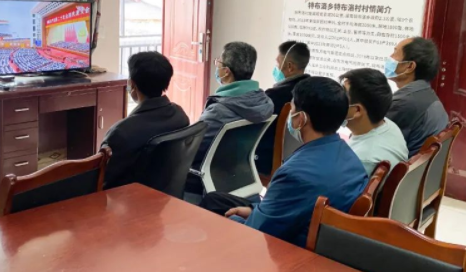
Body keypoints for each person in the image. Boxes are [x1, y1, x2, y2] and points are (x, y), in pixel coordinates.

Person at [200, 77, 368, 248]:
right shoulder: (351, 159)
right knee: (216, 200)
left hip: (287, 248)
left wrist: (232, 220)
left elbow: (256, 232)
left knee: (213, 210)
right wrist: (254, 210)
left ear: (300, 119)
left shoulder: (295, 174)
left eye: (292, 109)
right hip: (315, 233)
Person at [101, 51, 189, 189]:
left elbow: (102, 179)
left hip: (126, 198)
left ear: (132, 85)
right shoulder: (180, 115)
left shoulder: (121, 132)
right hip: (166, 194)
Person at [192, 41, 274, 170]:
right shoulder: (265, 102)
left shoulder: (217, 111)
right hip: (241, 170)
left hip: (212, 173)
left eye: (218, 62)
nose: (216, 65)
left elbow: (193, 150)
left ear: (226, 72)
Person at [385, 37, 449, 157]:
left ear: (410, 66)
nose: (390, 57)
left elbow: (371, 141)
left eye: (395, 52)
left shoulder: (403, 103)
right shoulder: (425, 92)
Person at [339, 68, 408, 175]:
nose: (336, 98)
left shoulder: (362, 160)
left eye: (343, 95)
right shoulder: (388, 125)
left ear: (357, 110)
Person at [256, 41, 311, 174]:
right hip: (305, 158)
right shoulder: (314, 90)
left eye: (277, 63)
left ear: (290, 67)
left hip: (272, 162)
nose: (276, 68)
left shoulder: (275, 96)